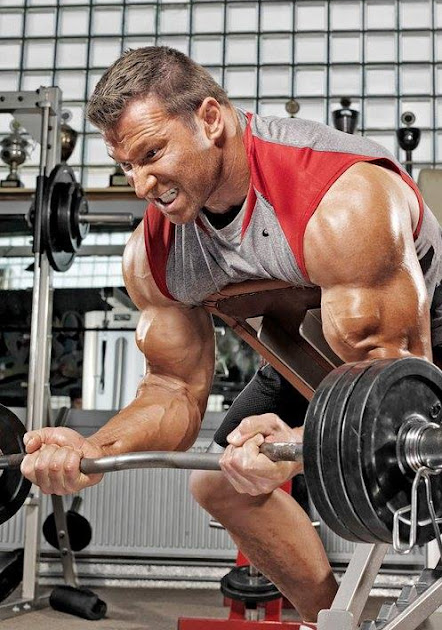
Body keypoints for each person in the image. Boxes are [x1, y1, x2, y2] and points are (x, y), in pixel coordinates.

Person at [20, 46, 442, 626]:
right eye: (126, 166)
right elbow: (172, 388)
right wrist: (97, 451)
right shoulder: (155, 253)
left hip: (414, 343)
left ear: (210, 120)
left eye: (152, 154)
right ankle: (331, 620)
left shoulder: (339, 197)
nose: (141, 185)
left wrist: (294, 448)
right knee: (220, 483)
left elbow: (396, 397)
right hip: (308, 341)